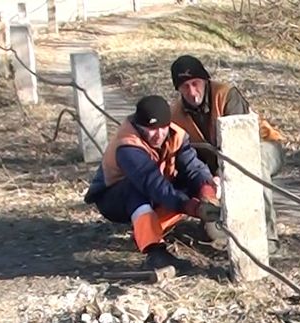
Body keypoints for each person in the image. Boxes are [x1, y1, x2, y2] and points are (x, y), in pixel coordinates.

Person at [84, 95, 220, 271]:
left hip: (155, 191)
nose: (159, 134)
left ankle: (160, 227)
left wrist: (207, 194)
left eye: (163, 127)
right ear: (140, 127)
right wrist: (190, 207)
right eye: (152, 129)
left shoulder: (177, 135)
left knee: (193, 183)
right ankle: (155, 251)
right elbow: (152, 185)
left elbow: (194, 168)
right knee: (135, 190)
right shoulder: (128, 146)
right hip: (114, 199)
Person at [169, 54, 285, 255]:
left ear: (205, 80)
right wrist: (207, 183)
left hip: (260, 146)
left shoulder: (226, 94)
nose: (192, 91)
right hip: (217, 164)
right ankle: (231, 232)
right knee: (213, 231)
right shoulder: (175, 115)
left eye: (195, 83)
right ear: (178, 90)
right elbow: (188, 158)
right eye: (185, 87)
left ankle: (268, 238)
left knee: (254, 169)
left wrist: (221, 175)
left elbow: (242, 146)